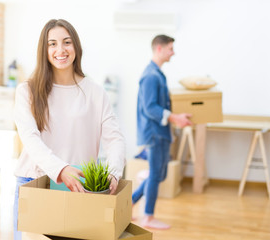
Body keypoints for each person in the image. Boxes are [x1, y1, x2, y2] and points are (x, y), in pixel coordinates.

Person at [13, 19, 125, 240]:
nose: (60, 50)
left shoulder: (95, 92)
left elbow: (115, 139)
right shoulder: (27, 90)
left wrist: (114, 172)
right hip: (35, 182)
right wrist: (61, 169)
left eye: (67, 42)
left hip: (80, 188)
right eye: (52, 44)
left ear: (76, 47)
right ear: (43, 50)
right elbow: (30, 137)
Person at [132, 35, 192, 230]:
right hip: (154, 133)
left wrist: (176, 116)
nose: (173, 52)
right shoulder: (150, 75)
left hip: (160, 132)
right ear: (159, 48)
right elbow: (150, 108)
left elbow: (161, 105)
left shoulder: (157, 73)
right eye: (170, 48)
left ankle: (130, 203)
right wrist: (175, 118)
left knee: (159, 174)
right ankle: (147, 217)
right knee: (156, 174)